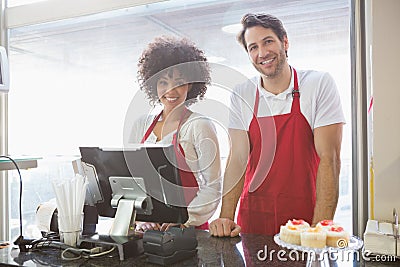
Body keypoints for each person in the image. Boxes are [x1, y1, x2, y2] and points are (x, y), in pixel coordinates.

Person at [210, 13, 345, 236]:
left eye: (268, 41)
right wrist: (226, 217)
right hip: (253, 219)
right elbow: (237, 159)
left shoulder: (318, 84)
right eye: (253, 47)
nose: (262, 53)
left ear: (285, 42)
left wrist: (319, 230)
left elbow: (329, 159)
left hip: (305, 220)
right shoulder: (242, 94)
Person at [130, 36, 221, 231]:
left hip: (188, 231)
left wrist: (184, 219)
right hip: (150, 230)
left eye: (179, 82)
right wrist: (141, 219)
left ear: (191, 84)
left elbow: (212, 187)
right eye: (163, 82)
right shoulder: (140, 125)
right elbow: (133, 181)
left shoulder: (199, 125)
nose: (170, 90)